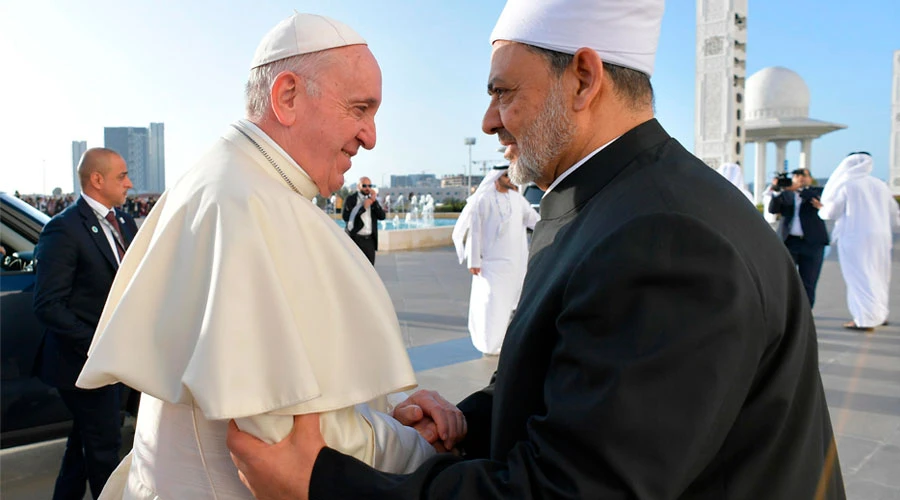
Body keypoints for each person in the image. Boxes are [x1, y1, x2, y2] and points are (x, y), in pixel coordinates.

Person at [226, 1, 844, 498]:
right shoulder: (616, 201)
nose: (489, 121)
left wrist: (324, 484)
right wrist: (464, 423)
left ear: (584, 79)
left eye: (504, 92)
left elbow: (572, 487)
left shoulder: (668, 240)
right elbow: (570, 383)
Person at [74, 13, 463, 499]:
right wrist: (421, 445)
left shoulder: (223, 180)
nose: (371, 136)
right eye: (360, 109)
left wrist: (390, 410)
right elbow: (298, 443)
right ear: (287, 96)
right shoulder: (249, 205)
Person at [32, 148, 137, 500]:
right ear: (97, 179)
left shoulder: (124, 223)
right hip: (83, 362)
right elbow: (48, 305)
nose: (129, 183)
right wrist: (98, 346)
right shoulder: (63, 230)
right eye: (122, 176)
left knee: (82, 447)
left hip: (114, 360)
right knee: (104, 450)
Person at [452, 165, 539, 355]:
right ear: (496, 177)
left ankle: (500, 341)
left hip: (514, 263)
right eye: (506, 175)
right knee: (490, 303)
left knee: (507, 304)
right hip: (490, 264)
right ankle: (488, 343)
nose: (510, 179)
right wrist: (474, 261)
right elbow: (475, 232)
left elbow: (534, 220)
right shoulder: (483, 200)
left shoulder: (517, 199)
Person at [818, 152, 900, 331]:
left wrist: (821, 209)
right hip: (881, 236)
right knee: (879, 275)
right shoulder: (880, 184)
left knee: (859, 276)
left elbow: (831, 212)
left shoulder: (847, 185)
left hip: (855, 237)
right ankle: (879, 314)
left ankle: (865, 318)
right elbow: (894, 213)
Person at [767, 167, 829, 307]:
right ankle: (784, 311)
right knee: (784, 280)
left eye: (804, 175)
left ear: (810, 179)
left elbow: (816, 199)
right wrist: (777, 190)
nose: (800, 178)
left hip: (812, 244)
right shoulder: (785, 194)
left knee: (809, 282)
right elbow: (773, 209)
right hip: (789, 242)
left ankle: (805, 313)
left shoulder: (818, 191)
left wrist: (798, 189)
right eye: (796, 175)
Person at [343, 176, 386, 264]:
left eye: (370, 186)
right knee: (354, 267)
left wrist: (374, 201)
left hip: (369, 241)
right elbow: (346, 217)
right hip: (355, 239)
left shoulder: (372, 201)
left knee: (370, 269)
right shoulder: (351, 199)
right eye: (364, 185)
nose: (367, 188)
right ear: (358, 186)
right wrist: (363, 208)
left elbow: (382, 216)